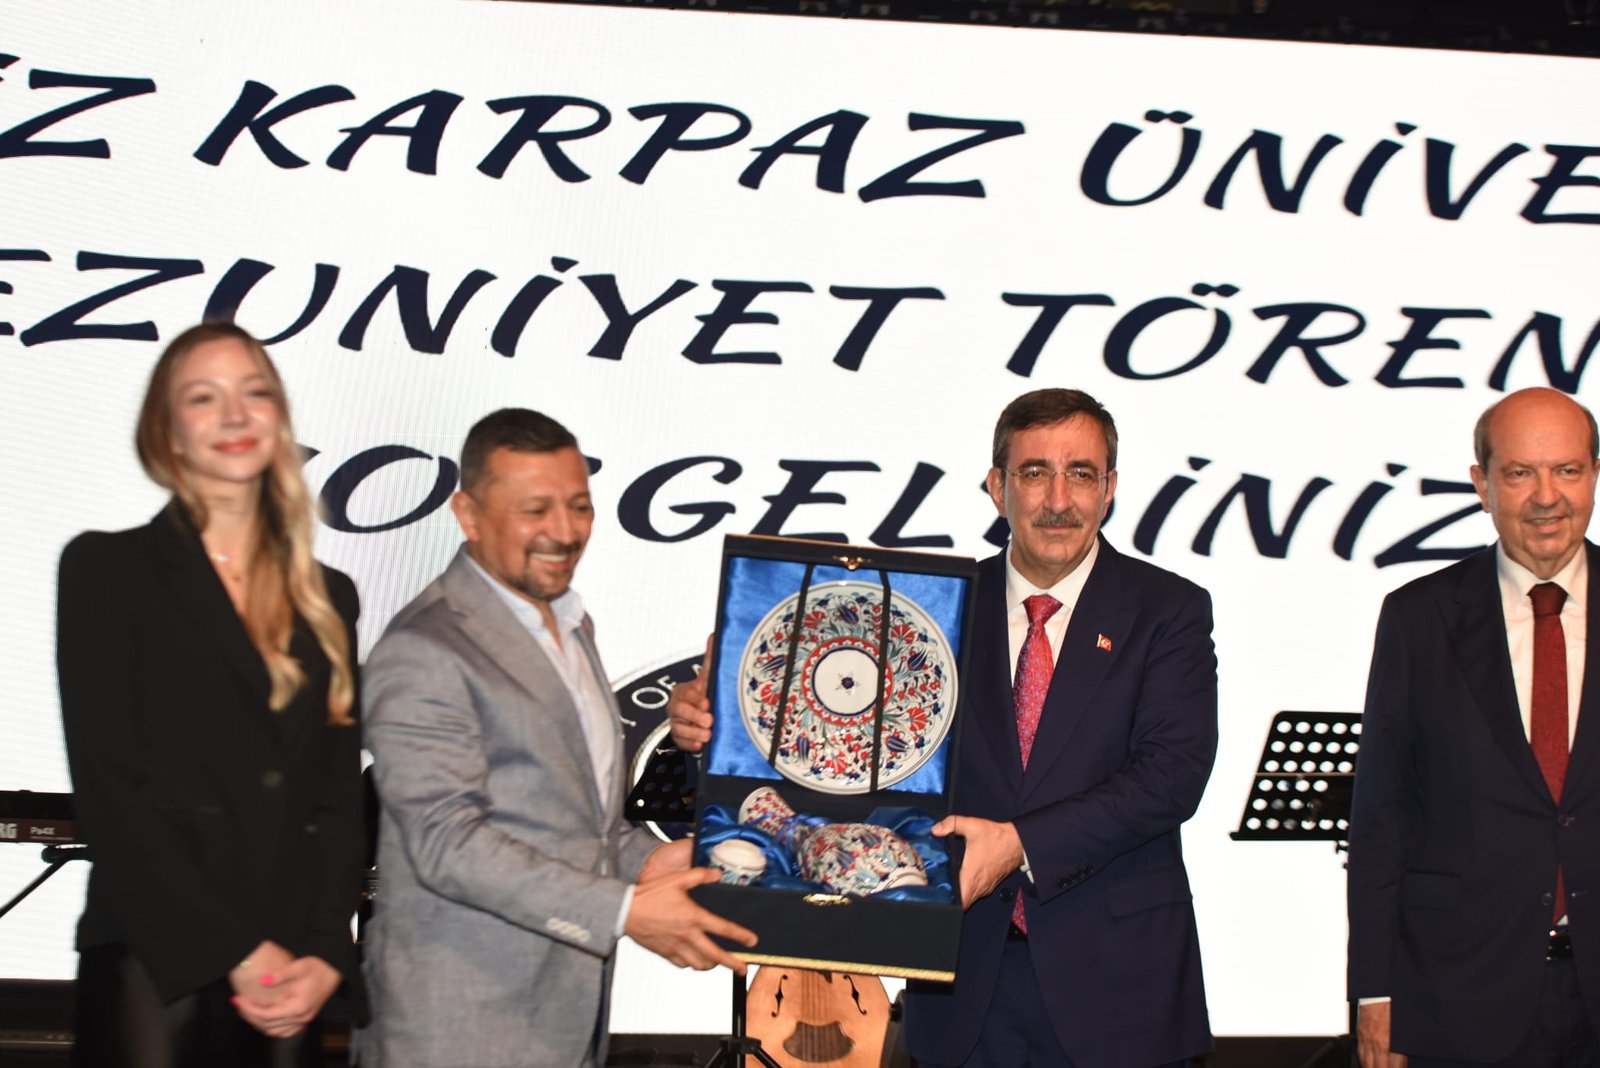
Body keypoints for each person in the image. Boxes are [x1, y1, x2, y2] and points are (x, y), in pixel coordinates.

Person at [671, 388, 1218, 1068]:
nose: (1059, 499)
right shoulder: (929, 610)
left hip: (1118, 990)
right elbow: (836, 757)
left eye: (1081, 474)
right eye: (1034, 472)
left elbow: (1170, 778)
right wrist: (713, 728)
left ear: (1109, 489)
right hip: (960, 987)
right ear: (997, 488)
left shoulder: (1168, 610)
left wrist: (1019, 844)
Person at [358, 408, 756, 1068]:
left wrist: (649, 861)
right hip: (458, 1027)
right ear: (468, 514)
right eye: (534, 509)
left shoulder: (572, 627)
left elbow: (567, 821)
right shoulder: (424, 649)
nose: (565, 532)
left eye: (579, 506)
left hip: (563, 1019)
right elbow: (446, 843)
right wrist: (624, 910)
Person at [56, 322, 365, 1066]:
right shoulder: (107, 570)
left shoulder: (329, 596)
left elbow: (336, 796)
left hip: (291, 973)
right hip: (154, 959)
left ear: (279, 417)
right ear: (166, 432)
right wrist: (239, 951)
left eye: (254, 392)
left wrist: (328, 951)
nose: (233, 415)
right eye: (203, 397)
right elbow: (110, 794)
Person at [1348, 387, 1600, 1068]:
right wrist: (1375, 994)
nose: (1546, 496)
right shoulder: (1418, 618)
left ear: (1594, 476)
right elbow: (1380, 822)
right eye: (1519, 473)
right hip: (1460, 997)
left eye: (1567, 470)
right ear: (1481, 485)